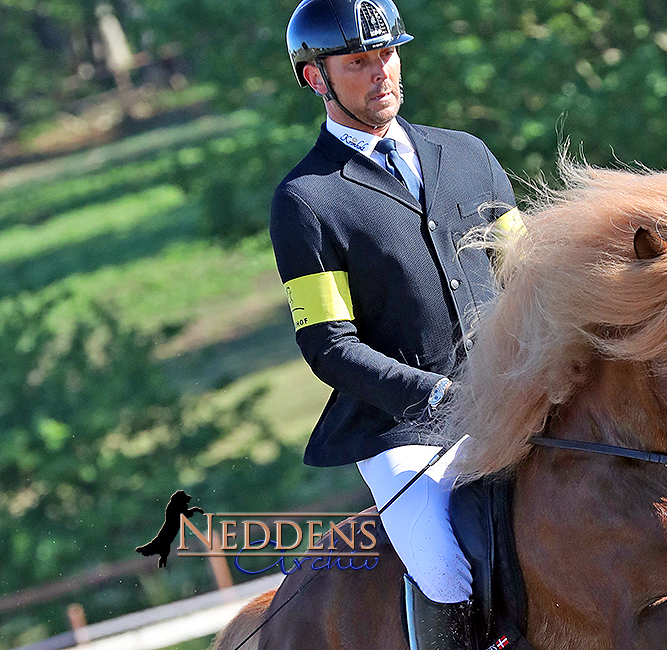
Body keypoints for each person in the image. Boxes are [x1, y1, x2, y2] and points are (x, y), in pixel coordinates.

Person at [271, 0, 520, 648]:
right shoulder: (307, 200)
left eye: (388, 54)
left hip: (517, 393)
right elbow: (329, 345)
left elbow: (527, 271)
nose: (382, 72)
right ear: (315, 78)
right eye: (359, 61)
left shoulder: (467, 154)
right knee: (444, 570)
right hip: (405, 428)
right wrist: (436, 394)